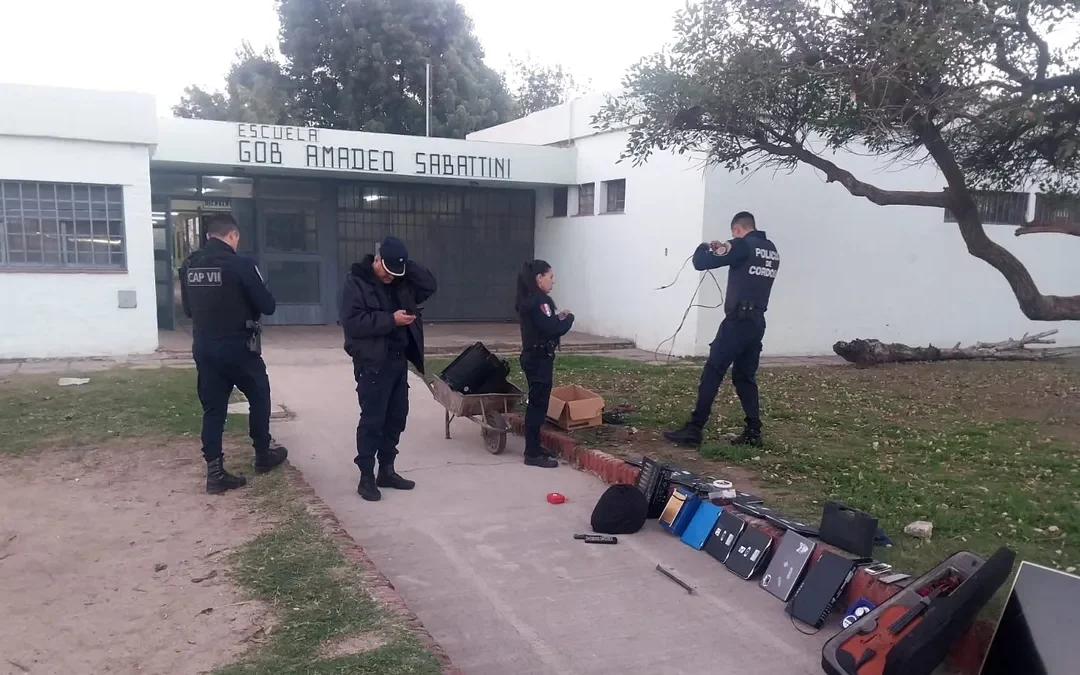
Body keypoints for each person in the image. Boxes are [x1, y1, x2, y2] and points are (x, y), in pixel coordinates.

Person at [180, 213, 288, 494]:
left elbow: (189, 309)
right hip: (239, 348)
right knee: (259, 396)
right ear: (233, 236)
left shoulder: (189, 265)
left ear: (207, 237)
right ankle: (263, 455)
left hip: (204, 347)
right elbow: (267, 305)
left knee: (213, 409)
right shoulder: (241, 265)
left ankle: (215, 473)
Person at [664, 211, 779, 448]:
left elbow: (701, 262)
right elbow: (740, 261)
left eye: (733, 233)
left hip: (737, 322)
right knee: (744, 377)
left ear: (737, 229)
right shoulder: (771, 250)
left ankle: (694, 429)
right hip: (757, 322)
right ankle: (753, 431)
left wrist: (704, 247)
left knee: (713, 371)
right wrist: (724, 248)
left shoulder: (741, 245)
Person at [340, 236, 437, 502]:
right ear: (377, 259)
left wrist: (403, 263)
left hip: (397, 360)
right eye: (387, 271)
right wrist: (391, 320)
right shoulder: (356, 283)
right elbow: (353, 324)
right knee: (373, 419)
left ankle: (387, 469)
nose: (390, 278)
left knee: (396, 416)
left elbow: (430, 285)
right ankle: (366, 476)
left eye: (396, 273)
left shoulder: (401, 278)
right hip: (372, 362)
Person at [515, 260, 575, 469]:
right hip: (539, 358)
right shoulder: (541, 301)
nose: (553, 282)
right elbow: (551, 329)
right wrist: (568, 319)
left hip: (534, 356)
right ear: (539, 278)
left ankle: (535, 445)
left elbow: (544, 324)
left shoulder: (529, 300)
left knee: (537, 403)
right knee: (538, 405)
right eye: (550, 277)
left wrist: (557, 318)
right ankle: (532, 453)